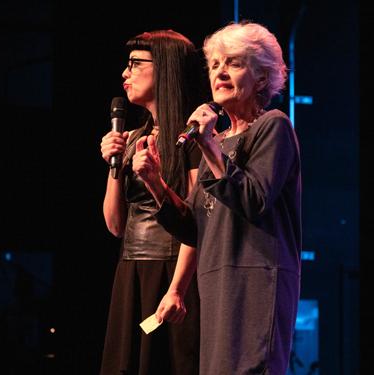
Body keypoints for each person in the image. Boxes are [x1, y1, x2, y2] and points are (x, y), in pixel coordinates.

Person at [133, 21, 302, 374]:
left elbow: (255, 199)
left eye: (234, 63)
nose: (220, 71)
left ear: (261, 78)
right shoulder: (218, 142)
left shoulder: (274, 126)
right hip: (216, 281)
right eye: (214, 65)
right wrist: (155, 183)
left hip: (256, 279)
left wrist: (208, 145)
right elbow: (194, 228)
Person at [99, 30, 209, 375]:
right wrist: (114, 165)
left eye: (135, 64)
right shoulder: (132, 137)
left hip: (174, 270)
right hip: (131, 269)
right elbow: (116, 225)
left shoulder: (193, 138)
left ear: (164, 69)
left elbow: (197, 223)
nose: (124, 74)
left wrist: (177, 289)